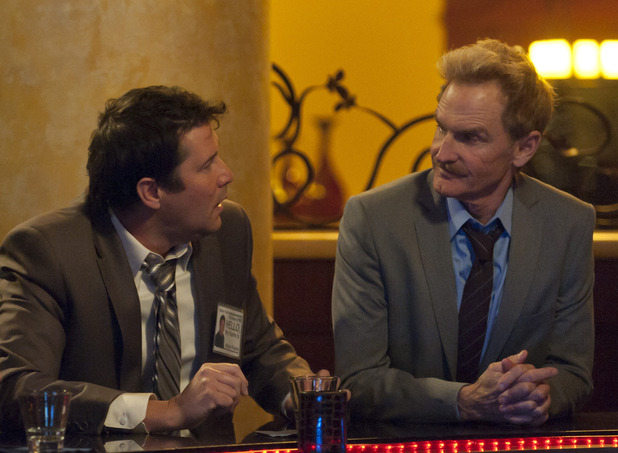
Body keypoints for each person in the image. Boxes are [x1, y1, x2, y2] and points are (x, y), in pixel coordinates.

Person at [0, 85, 317, 439]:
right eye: (207, 165)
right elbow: (17, 387)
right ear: (151, 192)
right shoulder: (48, 251)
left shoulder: (228, 231)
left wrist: (302, 394)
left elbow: (257, 347)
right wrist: (169, 411)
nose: (226, 174)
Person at [332, 39, 594, 427]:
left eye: (470, 137)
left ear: (524, 148)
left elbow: (573, 373)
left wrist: (540, 395)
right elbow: (359, 379)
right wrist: (463, 401)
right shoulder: (372, 219)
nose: (442, 152)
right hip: (407, 444)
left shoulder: (568, 222)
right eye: (441, 128)